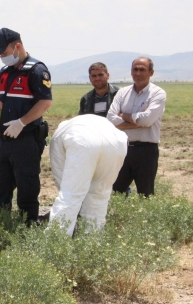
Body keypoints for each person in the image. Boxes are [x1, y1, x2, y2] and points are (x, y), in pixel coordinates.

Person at [0, 28, 52, 224]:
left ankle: (28, 229)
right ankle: (0, 227)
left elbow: (45, 102)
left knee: (27, 189)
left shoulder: (36, 70)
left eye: (4, 54)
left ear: (18, 47)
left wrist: (22, 122)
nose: (2, 59)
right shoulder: (5, 73)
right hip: (3, 142)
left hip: (25, 141)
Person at [48, 115, 128, 236]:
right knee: (100, 194)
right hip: (117, 140)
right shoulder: (71, 127)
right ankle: (91, 240)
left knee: (70, 195)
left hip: (82, 140)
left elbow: (61, 175)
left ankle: (57, 241)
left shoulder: (59, 135)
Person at [107, 57, 167, 197]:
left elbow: (146, 120)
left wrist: (124, 116)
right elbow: (110, 119)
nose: (138, 73)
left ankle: (146, 219)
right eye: (135, 69)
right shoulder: (123, 93)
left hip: (146, 151)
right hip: (122, 148)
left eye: (142, 70)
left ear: (151, 72)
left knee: (146, 194)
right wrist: (137, 122)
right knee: (115, 192)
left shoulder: (158, 93)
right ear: (131, 71)